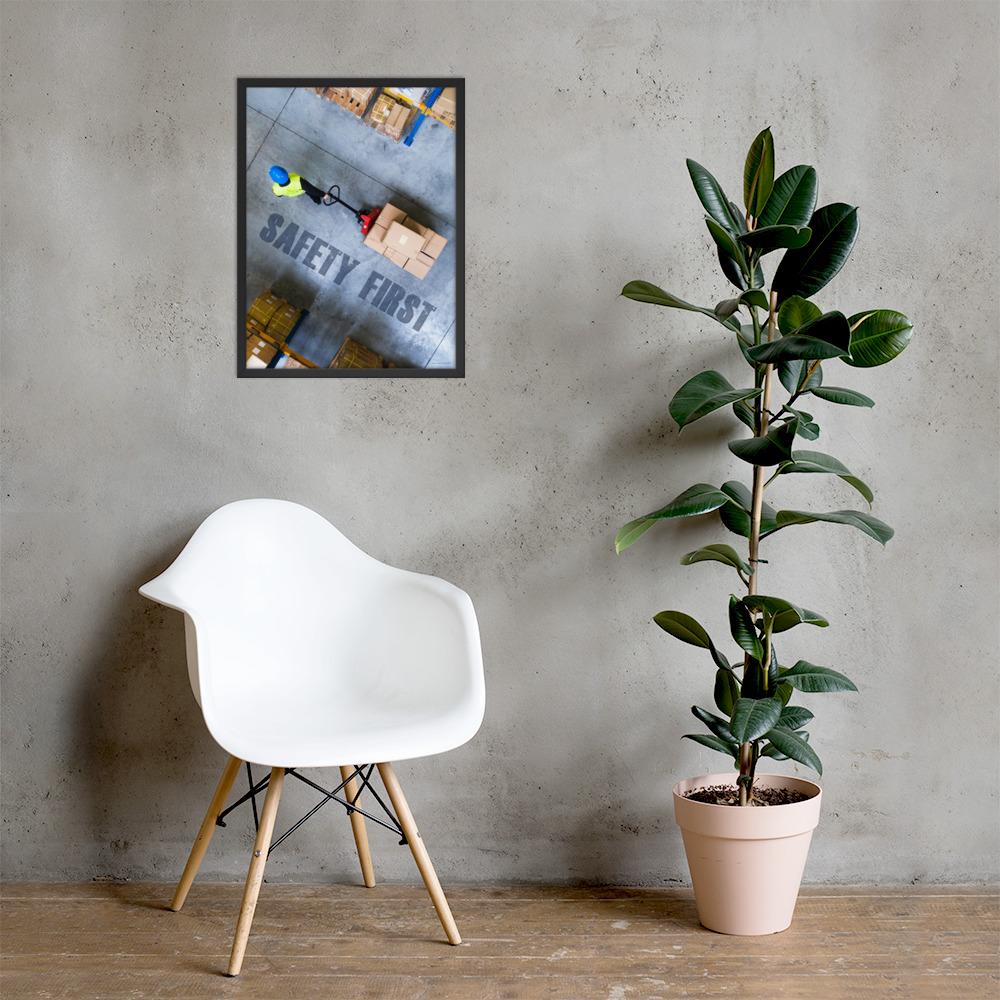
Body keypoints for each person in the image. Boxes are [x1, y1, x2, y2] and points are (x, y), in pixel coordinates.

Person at [269, 165, 334, 206]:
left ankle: (317, 201)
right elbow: (312, 190)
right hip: (301, 188)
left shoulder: (276, 188)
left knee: (308, 191)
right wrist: (323, 194)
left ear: (274, 180)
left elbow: (279, 195)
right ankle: (317, 199)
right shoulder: (298, 181)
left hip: (293, 193)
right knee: (310, 191)